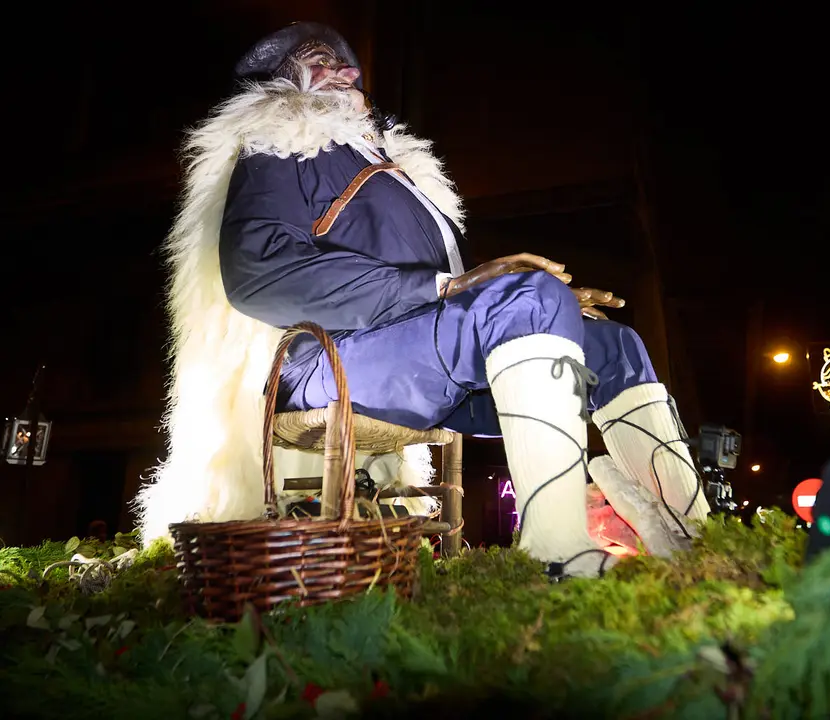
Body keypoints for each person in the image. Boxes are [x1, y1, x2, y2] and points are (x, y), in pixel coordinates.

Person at [134, 22, 710, 578]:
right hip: (327, 361)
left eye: (347, 62)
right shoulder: (277, 149)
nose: (346, 69)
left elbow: (458, 301)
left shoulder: (389, 169)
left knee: (614, 344)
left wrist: (542, 309)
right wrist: (449, 287)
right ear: (287, 83)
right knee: (530, 298)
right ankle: (559, 553)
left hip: (415, 357)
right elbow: (258, 272)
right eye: (320, 59)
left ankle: (695, 538)